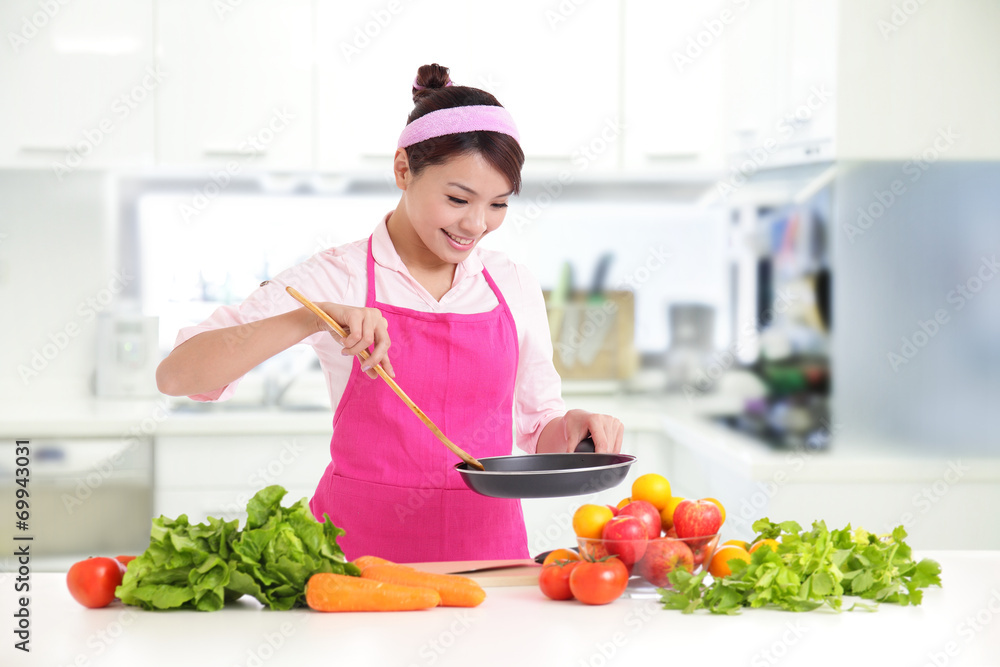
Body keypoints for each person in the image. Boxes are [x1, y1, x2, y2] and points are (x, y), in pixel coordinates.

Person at [156, 63, 625, 562]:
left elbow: (538, 429)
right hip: (355, 565)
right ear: (403, 169)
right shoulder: (338, 277)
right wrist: (311, 319)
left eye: (498, 205)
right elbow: (178, 374)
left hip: (488, 561)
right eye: (457, 198)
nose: (476, 224)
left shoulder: (511, 283)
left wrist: (571, 429)